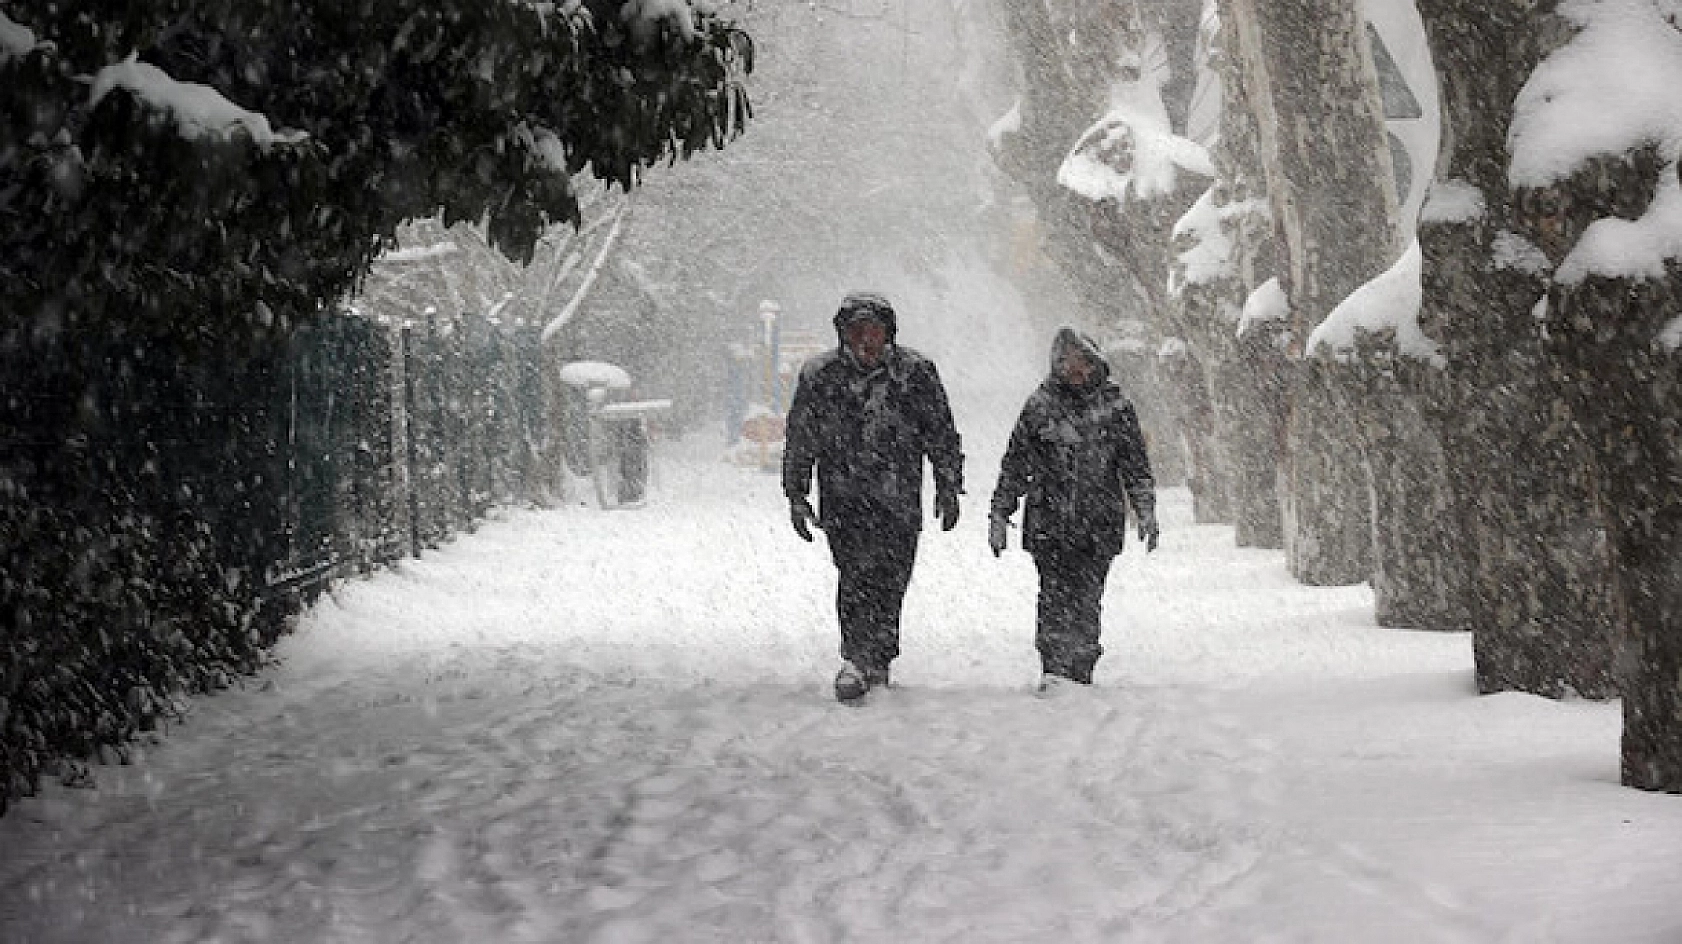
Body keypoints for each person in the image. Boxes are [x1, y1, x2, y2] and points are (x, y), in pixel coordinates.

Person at [783, 291, 965, 702]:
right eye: (856, 331)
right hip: (843, 499)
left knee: (892, 580)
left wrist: (949, 484)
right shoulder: (820, 375)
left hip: (898, 500)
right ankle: (855, 658)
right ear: (843, 334)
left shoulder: (915, 373)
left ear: (889, 333)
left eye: (874, 330)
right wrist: (796, 493)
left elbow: (941, 432)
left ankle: (879, 658)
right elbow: (801, 438)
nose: (866, 339)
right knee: (854, 577)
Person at [988, 326, 1158, 691]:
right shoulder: (1039, 406)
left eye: (1082, 361)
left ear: (1095, 363)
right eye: (1066, 362)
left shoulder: (1116, 408)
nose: (1075, 370)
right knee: (1053, 596)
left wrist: (1145, 509)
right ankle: (1053, 667)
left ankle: (1081, 665)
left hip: (1099, 526)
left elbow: (1135, 466)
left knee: (1087, 597)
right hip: (1048, 525)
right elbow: (1015, 464)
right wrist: (1001, 513)